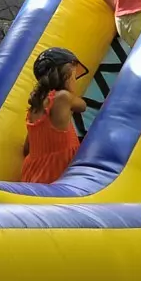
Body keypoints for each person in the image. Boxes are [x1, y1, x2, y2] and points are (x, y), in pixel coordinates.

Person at [20, 47, 88, 184]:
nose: (75, 80)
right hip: (56, 174)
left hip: (32, 174)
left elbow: (27, 148)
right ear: (65, 73)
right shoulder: (63, 97)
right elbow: (83, 106)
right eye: (74, 76)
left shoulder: (34, 108)